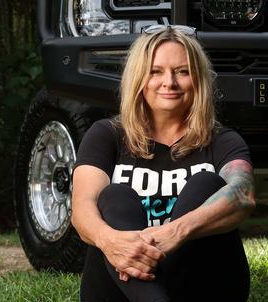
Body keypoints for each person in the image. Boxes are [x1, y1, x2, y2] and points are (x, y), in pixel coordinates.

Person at [72, 25, 255, 302]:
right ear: (139, 79)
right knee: (114, 196)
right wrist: (111, 242)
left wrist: (176, 231)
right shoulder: (106, 135)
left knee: (207, 185)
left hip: (199, 284)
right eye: (155, 71)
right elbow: (82, 208)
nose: (169, 82)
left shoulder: (222, 141)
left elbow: (243, 194)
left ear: (198, 80)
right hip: (121, 282)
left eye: (182, 71)